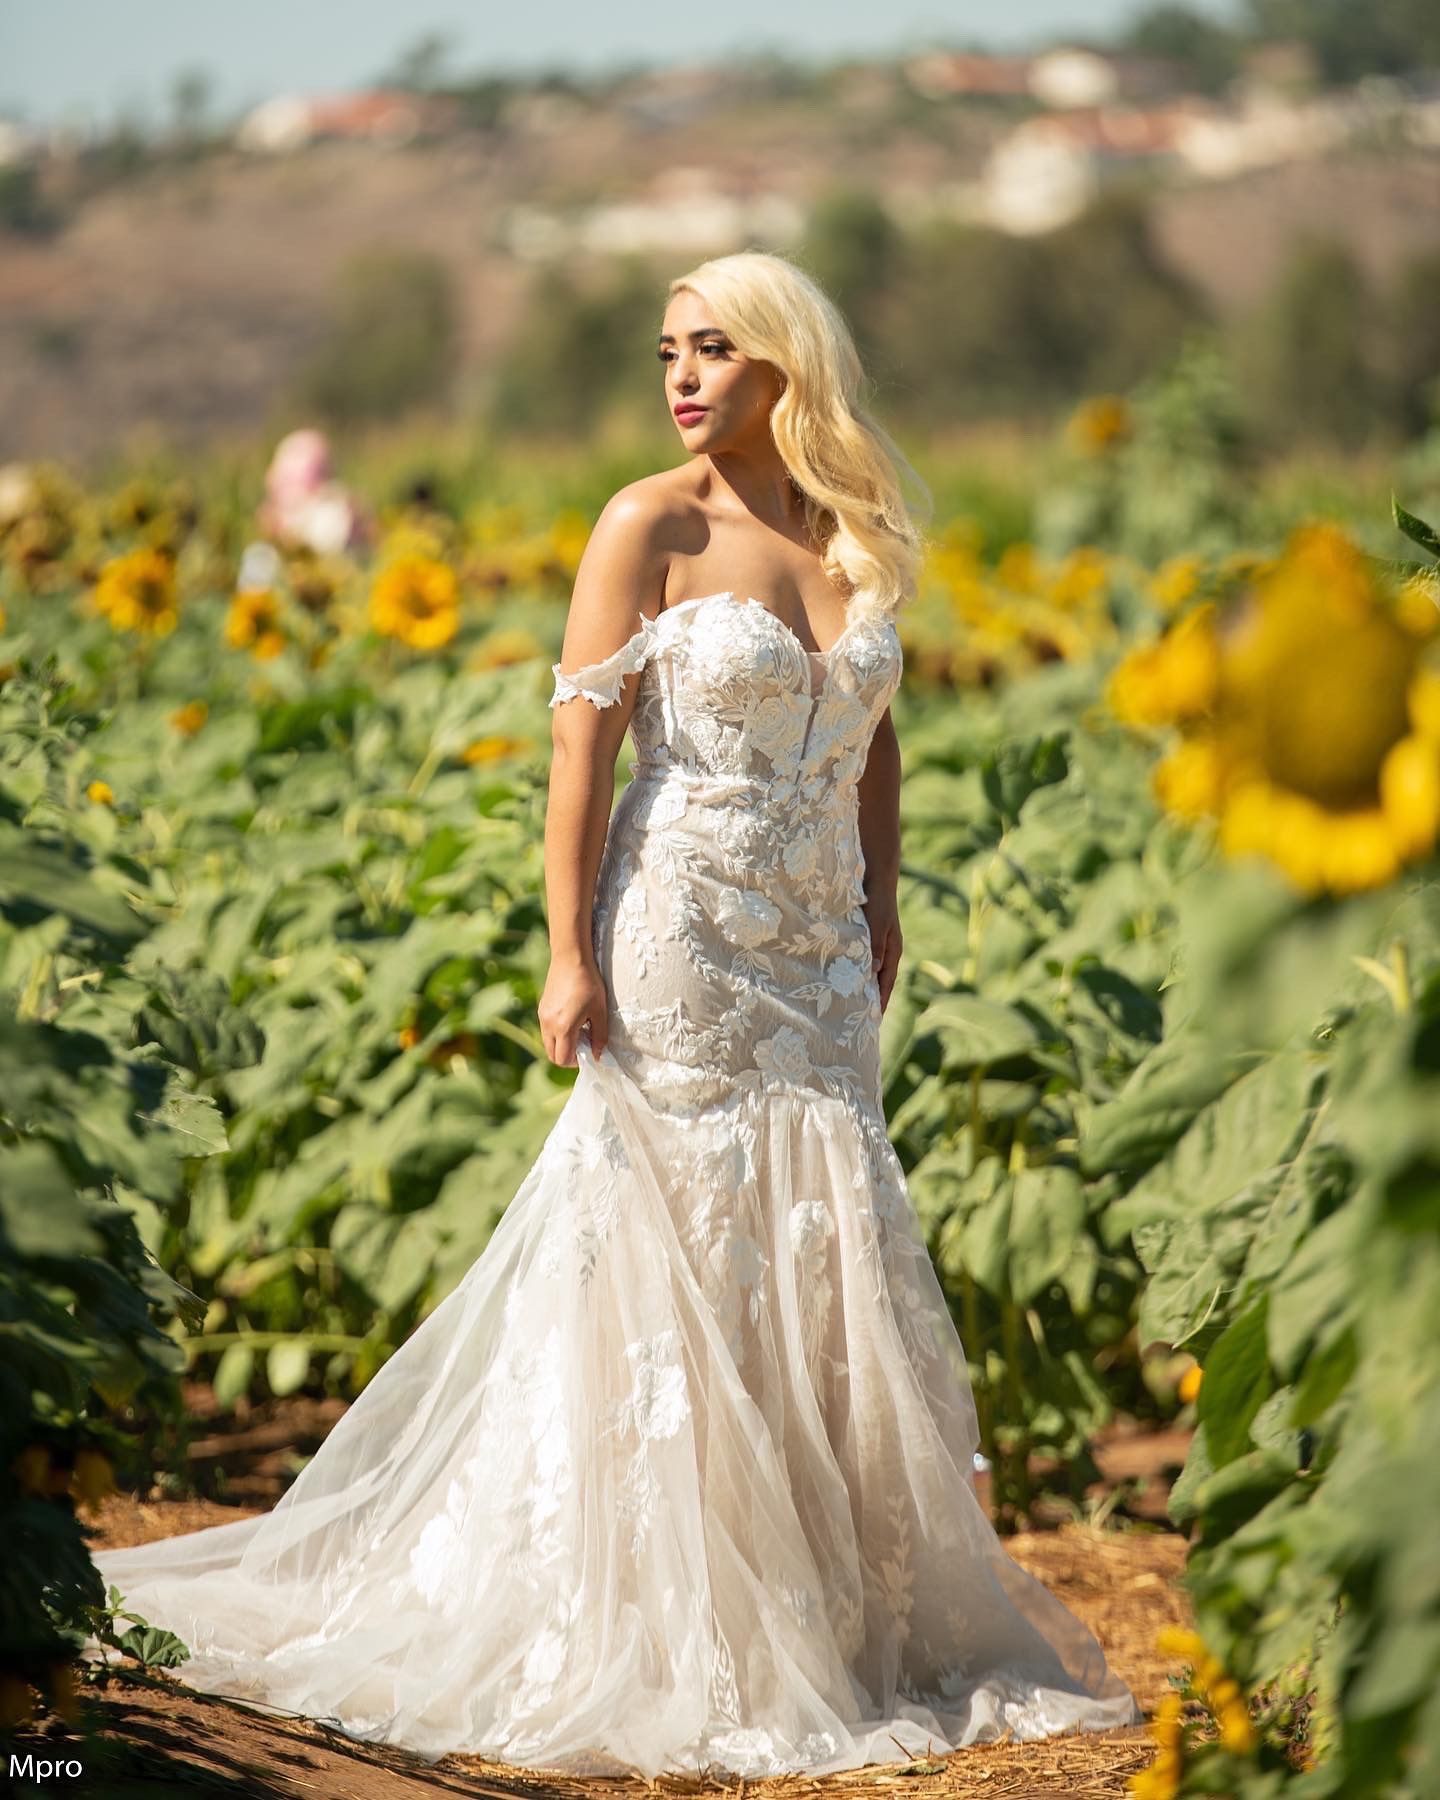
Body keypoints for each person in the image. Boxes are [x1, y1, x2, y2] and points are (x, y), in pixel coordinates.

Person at [82, 251, 1140, 1777]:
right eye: (667, 353)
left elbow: (876, 737)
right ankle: (669, 1613)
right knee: (678, 1231)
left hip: (821, 955)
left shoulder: (850, 533)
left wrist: (884, 901)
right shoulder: (647, 523)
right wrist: (565, 952)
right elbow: (579, 756)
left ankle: (823, 1607)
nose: (683, 378)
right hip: (681, 930)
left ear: (785, 364)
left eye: (713, 349)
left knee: (817, 1228)